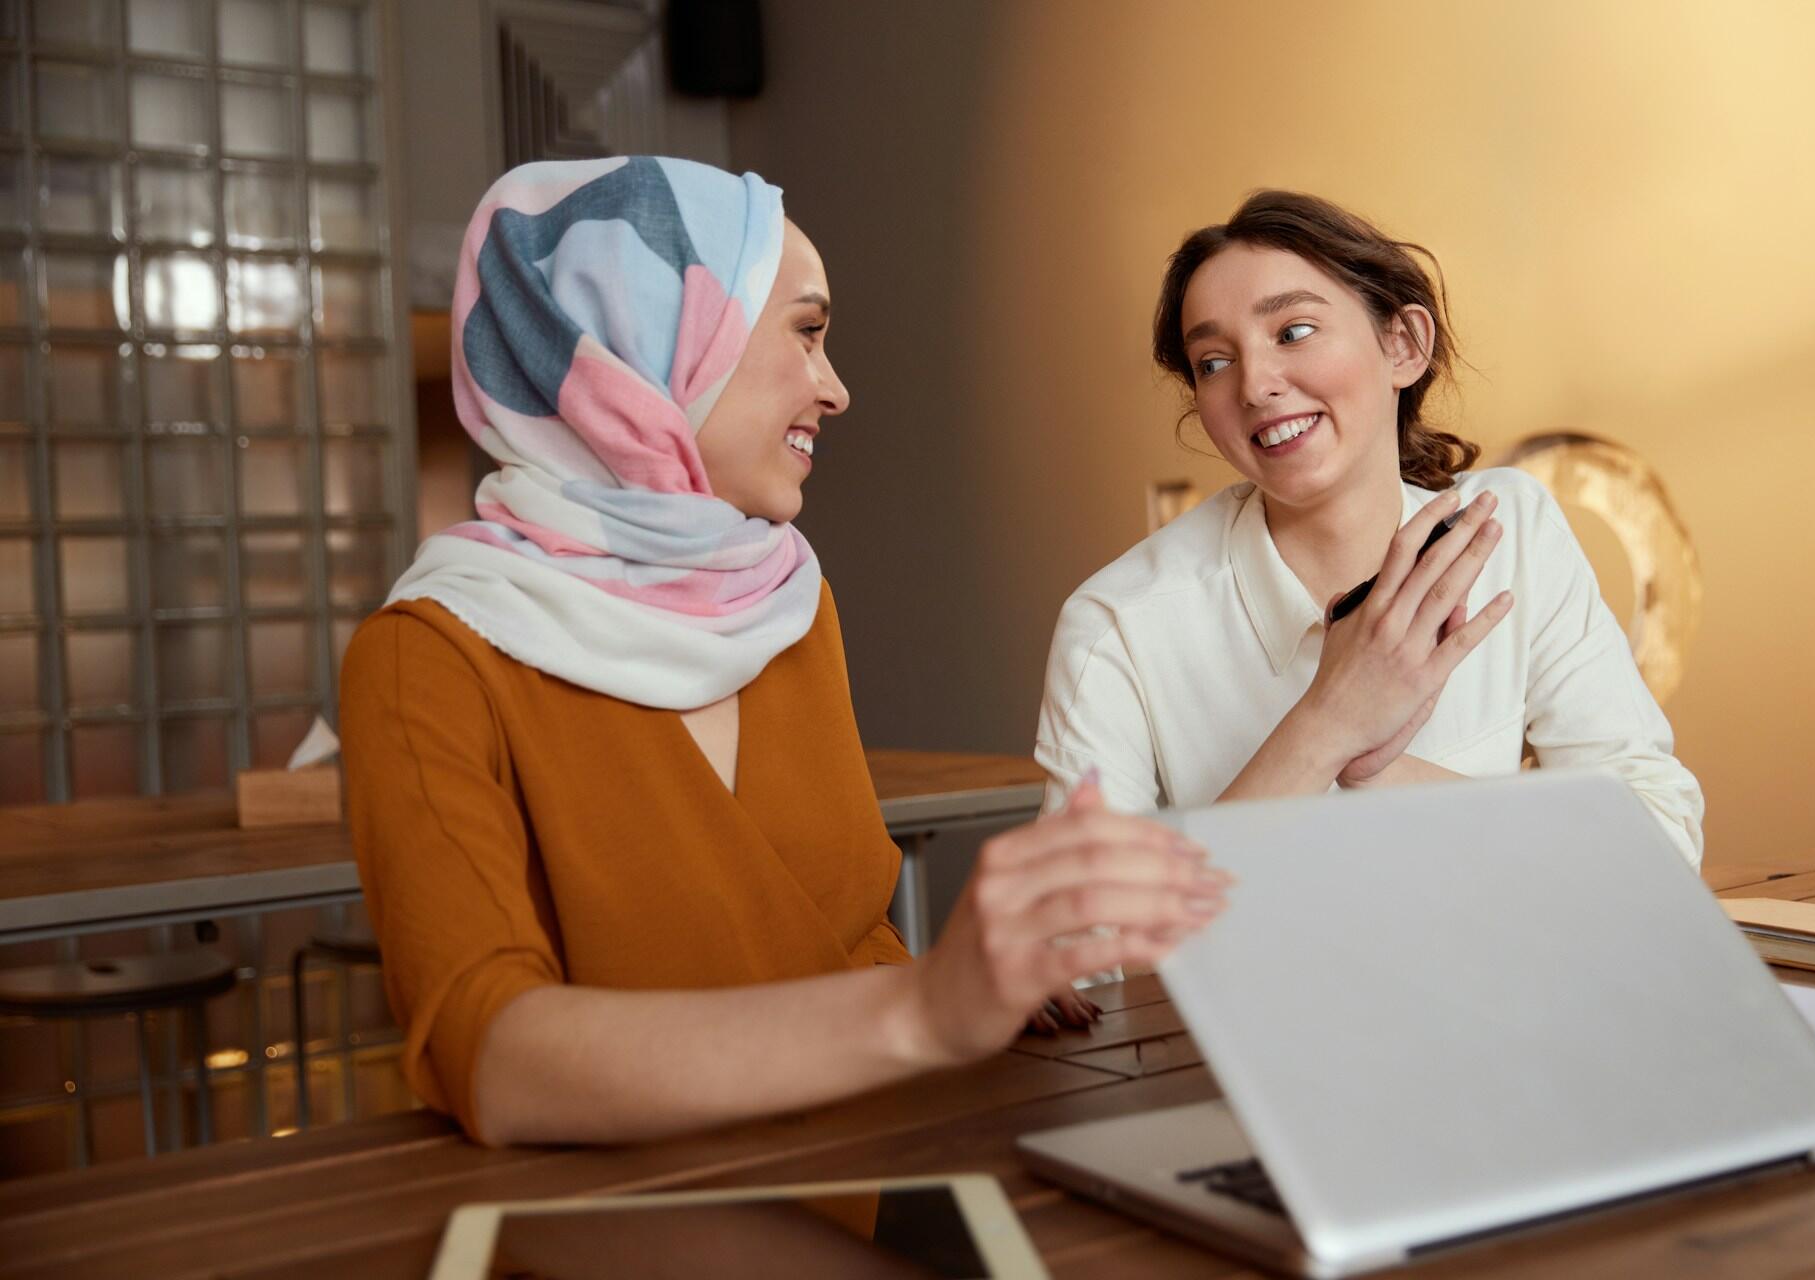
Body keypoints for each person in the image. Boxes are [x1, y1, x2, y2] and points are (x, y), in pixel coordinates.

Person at [340, 156, 1230, 1147]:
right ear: (661, 339)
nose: (836, 389)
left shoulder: (787, 601)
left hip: (863, 1170)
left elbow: (842, 932)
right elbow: (496, 1059)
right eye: (808, 332)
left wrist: (974, 988)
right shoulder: (429, 655)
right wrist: (924, 1006)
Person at [1035, 190, 1704, 865]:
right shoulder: (1116, 628)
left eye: (1293, 332)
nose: (1255, 385)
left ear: (1404, 345)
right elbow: (1087, 959)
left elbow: (1662, 840)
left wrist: (1381, 771)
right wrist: (1326, 726)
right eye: (1214, 363)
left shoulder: (1510, 532)